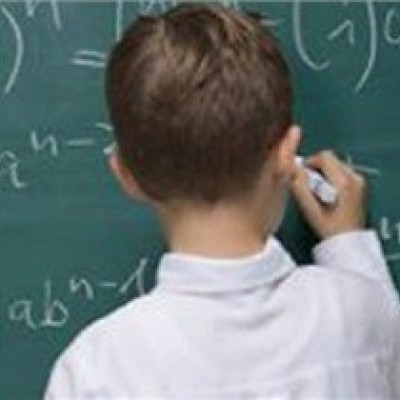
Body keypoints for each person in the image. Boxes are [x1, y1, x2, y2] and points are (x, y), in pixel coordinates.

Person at [44, 3, 400, 399]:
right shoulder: (366, 315)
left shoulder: (98, 371)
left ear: (126, 175)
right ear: (287, 154)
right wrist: (348, 246)